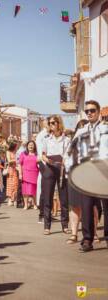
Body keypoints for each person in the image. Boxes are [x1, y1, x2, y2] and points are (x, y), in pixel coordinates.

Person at [72, 100, 108, 252]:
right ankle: (87, 240)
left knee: (107, 207)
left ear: (99, 112)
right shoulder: (81, 132)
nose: (89, 113)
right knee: (86, 207)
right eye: (87, 111)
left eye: (92, 110)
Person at [42, 115, 70, 235]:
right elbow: (43, 154)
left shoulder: (66, 139)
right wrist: (47, 160)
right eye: (50, 123)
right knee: (47, 198)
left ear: (59, 123)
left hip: (62, 168)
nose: (51, 125)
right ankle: (47, 226)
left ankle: (65, 225)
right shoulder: (46, 139)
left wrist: (64, 160)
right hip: (49, 167)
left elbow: (68, 154)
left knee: (64, 198)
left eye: (53, 122)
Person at [19, 141, 39, 209]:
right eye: (29, 145)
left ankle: (35, 204)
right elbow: (19, 164)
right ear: (27, 146)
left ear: (34, 146)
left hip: (34, 174)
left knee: (34, 190)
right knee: (25, 190)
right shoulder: (23, 154)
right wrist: (20, 174)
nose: (31, 146)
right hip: (25, 174)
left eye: (32, 145)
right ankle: (26, 205)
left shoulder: (37, 154)